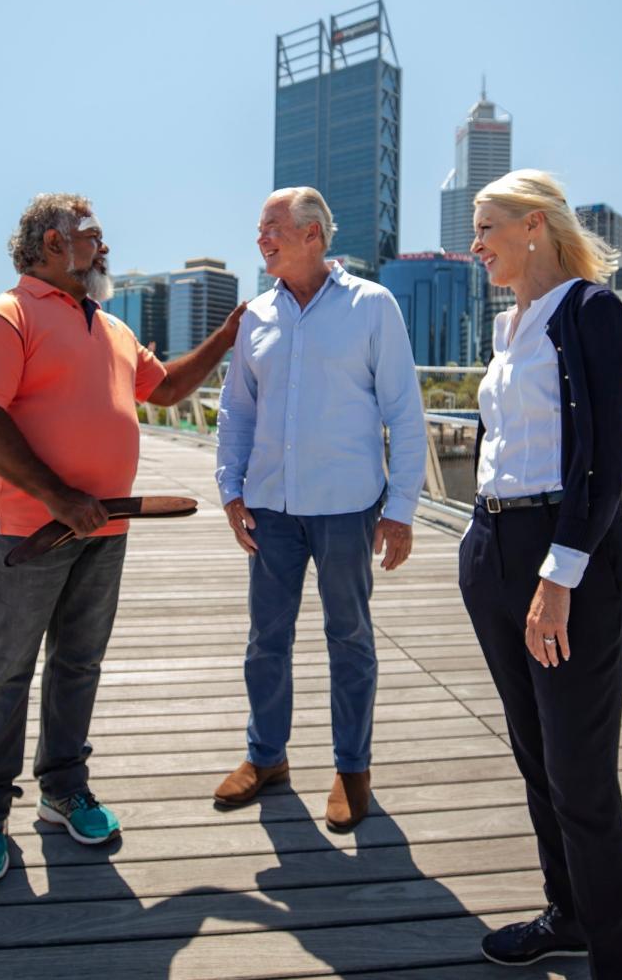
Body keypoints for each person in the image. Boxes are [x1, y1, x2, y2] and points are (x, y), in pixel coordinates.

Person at [0, 193, 244, 883]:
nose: (103, 248)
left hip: (107, 527)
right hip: (31, 530)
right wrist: (60, 496)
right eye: (92, 236)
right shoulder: (3, 318)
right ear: (53, 244)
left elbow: (166, 388)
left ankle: (62, 789)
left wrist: (230, 332)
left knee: (79, 662)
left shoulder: (108, 328)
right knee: (7, 669)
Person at [460, 170, 622, 979]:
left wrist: (559, 574)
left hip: (570, 558)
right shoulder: (507, 325)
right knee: (536, 755)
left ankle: (615, 961)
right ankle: (566, 913)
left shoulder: (591, 311)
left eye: (486, 226)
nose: (475, 244)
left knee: (579, 772)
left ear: (535, 225)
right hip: (493, 549)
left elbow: (604, 460)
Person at [213, 186, 426, 831]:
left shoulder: (372, 306)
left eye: (271, 227)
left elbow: (404, 413)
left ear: (312, 234)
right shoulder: (256, 318)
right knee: (265, 641)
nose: (261, 238)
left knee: (350, 637)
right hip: (270, 507)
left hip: (347, 508)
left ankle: (351, 766)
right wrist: (230, 486)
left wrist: (402, 508)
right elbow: (237, 410)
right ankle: (266, 756)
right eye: (259, 228)